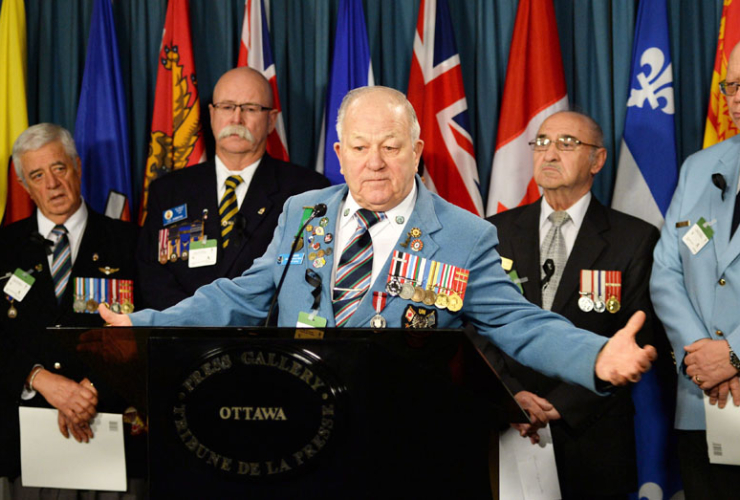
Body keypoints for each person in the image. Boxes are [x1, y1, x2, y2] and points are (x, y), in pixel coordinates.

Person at [102, 86, 656, 401]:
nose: (375, 162)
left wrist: (597, 355)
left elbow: (520, 323)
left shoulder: (464, 236)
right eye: (361, 147)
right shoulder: (303, 211)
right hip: (303, 420)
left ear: (417, 150)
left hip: (405, 441)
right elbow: (241, 295)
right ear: (339, 153)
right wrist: (145, 324)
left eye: (391, 146)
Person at [483, 111, 660, 499]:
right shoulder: (491, 232)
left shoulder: (635, 238)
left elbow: (637, 336)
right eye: (542, 142)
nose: (549, 153)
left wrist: (557, 405)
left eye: (567, 144)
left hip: (590, 432)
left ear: (597, 160)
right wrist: (510, 396)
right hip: (507, 422)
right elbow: (472, 324)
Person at [0, 124, 137, 485]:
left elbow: (148, 330)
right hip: (21, 444)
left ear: (77, 166)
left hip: (112, 431)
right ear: (24, 186)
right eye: (37, 175)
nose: (52, 184)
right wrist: (40, 379)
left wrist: (90, 391)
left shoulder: (129, 242)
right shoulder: (3, 248)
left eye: (59, 168)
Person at [137, 67, 329, 310]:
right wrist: (193, 323)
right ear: (211, 114)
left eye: (250, 108)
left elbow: (309, 276)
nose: (236, 119)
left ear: (271, 120)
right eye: (227, 107)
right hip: (184, 337)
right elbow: (152, 276)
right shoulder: (168, 191)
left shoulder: (306, 191)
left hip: (264, 340)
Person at [650, 41, 740, 498]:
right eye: (731, 86)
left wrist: (736, 355)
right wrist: (704, 355)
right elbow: (666, 271)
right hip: (704, 398)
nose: (738, 96)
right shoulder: (701, 167)